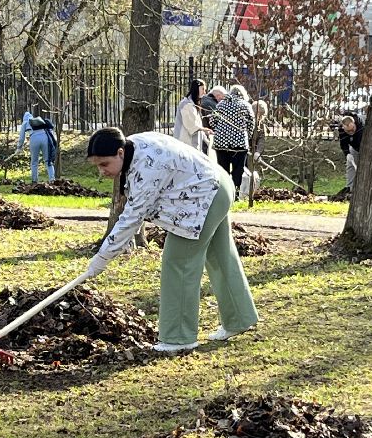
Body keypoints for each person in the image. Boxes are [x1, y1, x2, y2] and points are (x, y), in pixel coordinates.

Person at [85, 126, 258, 354]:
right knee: (219, 255)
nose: (102, 172)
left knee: (179, 263)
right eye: (97, 166)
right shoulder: (134, 144)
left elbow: (131, 218)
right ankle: (240, 318)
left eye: (104, 164)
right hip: (216, 185)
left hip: (204, 197)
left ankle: (179, 338)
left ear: (119, 153)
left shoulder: (147, 166)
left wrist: (101, 258)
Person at [210, 82, 256, 190]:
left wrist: (220, 132)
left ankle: (224, 190)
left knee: (223, 169)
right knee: (238, 169)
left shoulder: (220, 105)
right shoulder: (245, 105)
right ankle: (236, 190)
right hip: (239, 144)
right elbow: (251, 124)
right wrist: (246, 136)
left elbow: (212, 121)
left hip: (221, 143)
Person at [17, 110, 58, 183]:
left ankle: (34, 180)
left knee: (34, 161)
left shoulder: (25, 122)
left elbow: (21, 138)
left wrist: (19, 147)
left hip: (34, 139)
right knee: (48, 161)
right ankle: (52, 179)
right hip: (45, 137)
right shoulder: (38, 121)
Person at [173, 79, 211, 154]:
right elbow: (190, 125)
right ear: (196, 88)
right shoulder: (186, 104)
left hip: (191, 143)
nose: (204, 92)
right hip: (185, 143)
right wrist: (203, 129)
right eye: (202, 89)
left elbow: (197, 125)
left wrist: (206, 139)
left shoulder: (193, 104)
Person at [338, 111, 364, 192]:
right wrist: (347, 154)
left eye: (352, 129)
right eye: (348, 131)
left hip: (367, 145)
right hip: (354, 147)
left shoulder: (362, 125)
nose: (351, 133)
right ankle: (350, 188)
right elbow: (343, 144)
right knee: (350, 166)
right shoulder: (341, 130)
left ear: (354, 123)